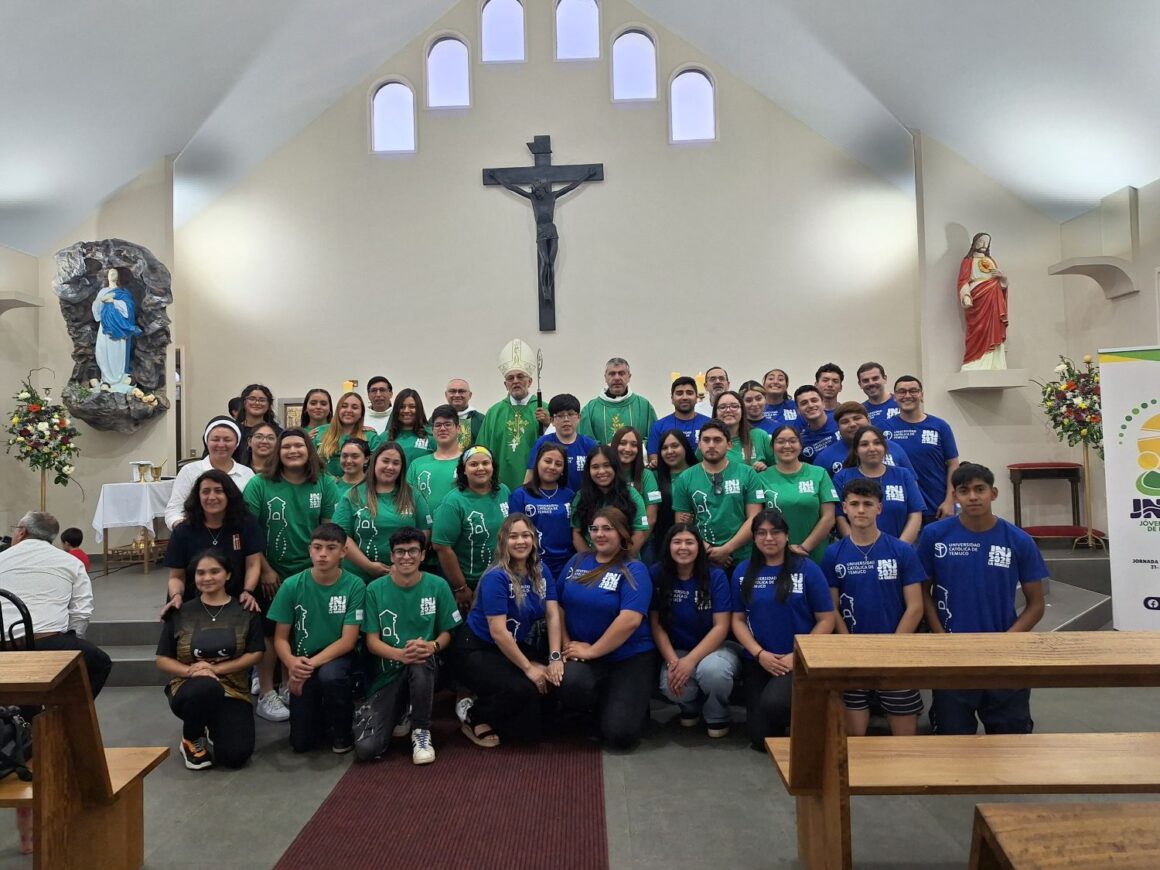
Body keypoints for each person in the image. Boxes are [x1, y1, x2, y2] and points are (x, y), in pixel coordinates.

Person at [919, 463, 1047, 734]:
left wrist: (1006, 642)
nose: (973, 497)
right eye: (964, 491)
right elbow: (923, 592)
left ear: (994, 493)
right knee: (953, 740)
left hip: (1004, 657)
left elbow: (1036, 605)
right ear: (955, 496)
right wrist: (940, 637)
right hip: (952, 656)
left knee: (1010, 740)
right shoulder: (934, 535)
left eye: (980, 489)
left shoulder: (1019, 540)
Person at [243, 429, 340, 722]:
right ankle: (267, 692)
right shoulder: (259, 484)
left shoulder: (324, 483)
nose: (293, 451)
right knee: (270, 631)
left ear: (309, 450)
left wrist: (318, 568)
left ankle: (288, 685)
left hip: (309, 570)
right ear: (278, 452)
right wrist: (265, 569)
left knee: (297, 629)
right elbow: (249, 532)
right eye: (286, 446)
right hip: (271, 571)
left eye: (299, 445)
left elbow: (329, 530)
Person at [822, 480, 925, 736]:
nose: (861, 510)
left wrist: (892, 648)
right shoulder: (833, 554)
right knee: (853, 741)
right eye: (855, 504)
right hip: (852, 655)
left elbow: (915, 607)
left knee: (905, 742)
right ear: (845, 507)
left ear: (879, 508)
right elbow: (831, 607)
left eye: (868, 504)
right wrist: (848, 644)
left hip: (896, 653)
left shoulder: (902, 551)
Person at [452, 515, 561, 747]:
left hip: (511, 646)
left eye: (525, 535)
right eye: (513, 536)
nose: (520, 541)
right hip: (477, 648)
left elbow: (552, 614)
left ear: (534, 539)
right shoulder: (496, 576)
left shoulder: (541, 570)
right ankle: (475, 716)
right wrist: (528, 668)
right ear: (503, 541)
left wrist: (554, 657)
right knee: (524, 688)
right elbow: (499, 632)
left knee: (550, 681)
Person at [731, 509, 836, 748]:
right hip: (759, 659)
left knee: (775, 703)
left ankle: (808, 719)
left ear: (787, 536)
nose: (769, 538)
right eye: (761, 533)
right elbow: (737, 619)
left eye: (775, 532)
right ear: (754, 538)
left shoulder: (807, 568)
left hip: (797, 659)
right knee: (761, 740)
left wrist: (797, 655)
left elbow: (826, 619)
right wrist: (759, 654)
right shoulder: (742, 571)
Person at [356, 528, 460, 764]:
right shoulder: (374, 590)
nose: (406, 557)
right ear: (391, 556)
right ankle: (401, 708)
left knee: (420, 658)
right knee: (367, 749)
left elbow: (447, 633)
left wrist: (432, 645)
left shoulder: (438, 585)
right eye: (400, 551)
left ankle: (421, 731)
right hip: (388, 674)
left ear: (422, 555)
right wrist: (400, 654)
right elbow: (371, 642)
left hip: (428, 668)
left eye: (413, 551)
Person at [555, 507, 655, 750]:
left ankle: (629, 702)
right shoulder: (578, 560)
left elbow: (630, 620)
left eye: (607, 529)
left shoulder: (634, 569)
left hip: (628, 657)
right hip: (584, 655)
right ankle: (602, 704)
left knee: (621, 736)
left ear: (622, 533)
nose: (599, 534)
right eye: (595, 529)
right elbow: (557, 605)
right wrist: (567, 644)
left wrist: (592, 651)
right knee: (571, 681)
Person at [155, 550, 265, 769]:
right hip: (190, 687)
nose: (207, 578)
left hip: (233, 689)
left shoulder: (246, 611)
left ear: (228, 575)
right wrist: (193, 671)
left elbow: (256, 654)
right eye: (201, 573)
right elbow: (162, 659)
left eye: (215, 571)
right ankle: (191, 738)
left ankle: (214, 725)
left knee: (235, 756)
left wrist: (215, 669)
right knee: (206, 687)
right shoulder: (180, 612)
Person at [269, 523, 366, 754]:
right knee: (301, 743)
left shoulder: (355, 585)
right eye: (317, 547)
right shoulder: (291, 585)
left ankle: (342, 732)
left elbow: (348, 641)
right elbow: (280, 639)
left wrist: (307, 666)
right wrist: (292, 664)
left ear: (343, 552)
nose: (323, 554)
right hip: (303, 658)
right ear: (309, 550)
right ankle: (320, 719)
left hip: (339, 655)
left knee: (331, 676)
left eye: (331, 548)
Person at [0, 512, 111, 696]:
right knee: (99, 662)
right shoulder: (71, 562)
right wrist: (73, 640)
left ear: (22, 532)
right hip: (48, 644)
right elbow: (81, 612)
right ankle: (60, 709)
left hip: (3, 645)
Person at [649, 524, 737, 737]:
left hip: (716, 648)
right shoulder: (657, 573)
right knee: (669, 683)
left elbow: (721, 626)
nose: (683, 547)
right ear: (668, 546)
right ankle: (691, 706)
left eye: (689, 542)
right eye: (677, 542)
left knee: (713, 672)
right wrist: (673, 662)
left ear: (699, 547)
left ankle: (717, 714)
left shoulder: (715, 575)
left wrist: (690, 662)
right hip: (678, 648)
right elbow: (657, 625)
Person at [163, 469, 264, 613]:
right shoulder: (182, 531)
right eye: (205, 492)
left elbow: (253, 565)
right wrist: (176, 596)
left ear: (229, 494)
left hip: (238, 599)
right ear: (198, 496)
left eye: (218, 491)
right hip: (193, 602)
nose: (211, 497)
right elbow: (176, 577)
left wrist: (248, 591)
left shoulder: (246, 524)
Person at [333, 441, 432, 582]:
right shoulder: (353, 495)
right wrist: (368, 566)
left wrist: (404, 564)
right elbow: (341, 536)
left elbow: (424, 532)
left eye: (396, 463)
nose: (390, 467)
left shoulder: (413, 495)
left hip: (402, 576)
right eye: (385, 461)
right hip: (358, 577)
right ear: (374, 462)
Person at [672, 421, 765, 568]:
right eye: (706, 440)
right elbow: (682, 524)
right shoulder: (685, 478)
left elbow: (755, 517)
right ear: (699, 444)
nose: (711, 445)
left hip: (743, 556)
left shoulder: (748, 473)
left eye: (717, 440)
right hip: (703, 556)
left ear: (729, 445)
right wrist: (708, 549)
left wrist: (727, 549)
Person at [431, 446, 512, 613]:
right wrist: (461, 588)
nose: (481, 468)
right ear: (464, 470)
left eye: (485, 463)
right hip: (469, 584)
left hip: (502, 578)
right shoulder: (453, 502)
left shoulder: (504, 491)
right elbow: (442, 547)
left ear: (493, 466)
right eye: (473, 464)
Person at [883, 376, 960, 522]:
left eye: (913, 391)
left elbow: (953, 464)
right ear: (895, 397)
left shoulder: (940, 426)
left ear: (922, 395)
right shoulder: (882, 428)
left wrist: (950, 501)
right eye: (902, 391)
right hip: (899, 509)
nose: (907, 395)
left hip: (936, 507)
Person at [758, 425, 838, 563]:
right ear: (772, 447)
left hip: (815, 553)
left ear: (801, 445)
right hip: (775, 555)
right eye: (780, 441)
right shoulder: (761, 478)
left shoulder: (819, 474)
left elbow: (829, 517)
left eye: (792, 441)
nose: (787, 446)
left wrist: (804, 548)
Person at [833, 426, 924, 543]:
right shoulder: (842, 477)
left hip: (900, 548)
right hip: (857, 550)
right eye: (864, 444)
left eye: (877, 443)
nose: (872, 448)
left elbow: (915, 514)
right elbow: (840, 516)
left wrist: (900, 548)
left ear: (885, 447)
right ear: (856, 450)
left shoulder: (903, 475)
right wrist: (857, 546)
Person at [476, 351, 549, 492]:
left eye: (520, 376)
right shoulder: (494, 412)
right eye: (510, 378)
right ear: (505, 384)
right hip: (499, 483)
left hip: (537, 482)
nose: (515, 381)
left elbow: (559, 443)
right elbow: (481, 449)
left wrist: (548, 424)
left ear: (530, 381)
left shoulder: (544, 409)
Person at [165, 417, 254, 529]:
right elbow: (174, 510)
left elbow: (250, 512)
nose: (221, 444)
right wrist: (183, 529)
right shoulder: (189, 471)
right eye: (215, 439)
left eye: (227, 440)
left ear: (237, 444)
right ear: (207, 442)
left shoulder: (247, 473)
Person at [509, 442, 576, 580]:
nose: (552, 467)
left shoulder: (570, 496)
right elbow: (512, 535)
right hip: (532, 565)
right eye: (547, 461)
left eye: (558, 464)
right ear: (537, 463)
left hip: (566, 566)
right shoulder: (520, 495)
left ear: (563, 469)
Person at [571, 445, 650, 556]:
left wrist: (619, 562)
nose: (601, 471)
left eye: (607, 465)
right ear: (588, 471)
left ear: (615, 467)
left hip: (625, 560)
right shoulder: (581, 496)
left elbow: (639, 534)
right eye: (595, 467)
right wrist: (591, 562)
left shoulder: (631, 495)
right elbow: (576, 534)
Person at [812, 401, 914, 477]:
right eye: (845, 421)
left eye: (857, 418)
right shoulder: (825, 457)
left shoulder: (893, 448)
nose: (852, 424)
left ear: (869, 420)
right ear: (838, 427)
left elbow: (912, 483)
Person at [525, 393, 597, 492]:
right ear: (552, 420)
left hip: (583, 498)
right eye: (560, 416)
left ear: (579, 417)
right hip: (550, 499)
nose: (566, 420)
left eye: (571, 414)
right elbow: (530, 476)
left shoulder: (590, 445)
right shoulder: (542, 443)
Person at [958, 232, 1009, 371]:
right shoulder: (968, 261)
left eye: (987, 242)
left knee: (994, 328)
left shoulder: (991, 260)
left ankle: (995, 363)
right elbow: (963, 281)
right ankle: (974, 362)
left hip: (994, 297)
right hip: (978, 298)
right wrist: (966, 295)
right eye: (981, 241)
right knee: (978, 328)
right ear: (975, 242)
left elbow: (1001, 283)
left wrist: (1003, 278)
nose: (984, 245)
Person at [578, 357, 658, 444]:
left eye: (621, 373)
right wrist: (605, 450)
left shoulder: (644, 407)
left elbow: (654, 439)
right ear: (605, 377)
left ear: (629, 377)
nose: (617, 378)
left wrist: (634, 448)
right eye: (612, 374)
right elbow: (583, 441)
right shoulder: (590, 410)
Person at [91, 267, 140, 392]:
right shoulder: (103, 291)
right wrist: (102, 300)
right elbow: (96, 307)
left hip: (118, 327)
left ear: (118, 277)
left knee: (117, 351)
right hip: (105, 326)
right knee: (102, 350)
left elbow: (129, 308)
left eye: (114, 273)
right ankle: (105, 378)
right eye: (110, 273)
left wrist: (113, 301)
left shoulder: (123, 292)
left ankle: (117, 379)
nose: (111, 274)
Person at [407, 403, 463, 511]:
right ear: (432, 430)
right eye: (438, 425)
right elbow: (407, 500)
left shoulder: (468, 463)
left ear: (458, 428)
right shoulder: (417, 464)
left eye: (448, 424)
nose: (442, 428)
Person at [646, 376, 710, 467]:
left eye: (689, 393)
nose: (684, 397)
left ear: (696, 398)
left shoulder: (709, 424)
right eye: (679, 393)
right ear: (672, 399)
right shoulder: (659, 426)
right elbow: (654, 459)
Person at [313, 391, 379, 478]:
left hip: (358, 485)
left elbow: (376, 468)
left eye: (354, 407)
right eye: (344, 406)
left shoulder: (370, 436)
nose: (349, 410)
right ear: (338, 410)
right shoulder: (319, 432)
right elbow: (309, 464)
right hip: (324, 485)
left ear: (361, 414)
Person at [611, 426, 661, 532]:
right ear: (614, 445)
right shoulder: (606, 474)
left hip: (642, 535)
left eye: (634, 445)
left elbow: (651, 518)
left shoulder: (647, 475)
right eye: (623, 443)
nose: (628, 449)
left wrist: (636, 540)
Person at [653, 429, 697, 548]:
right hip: (663, 542)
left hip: (697, 541)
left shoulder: (699, 472)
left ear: (685, 447)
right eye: (664, 448)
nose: (669, 451)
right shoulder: (654, 476)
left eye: (675, 446)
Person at [714, 391, 773, 468]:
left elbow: (779, 467)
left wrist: (766, 470)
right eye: (722, 407)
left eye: (734, 406)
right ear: (716, 412)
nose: (728, 410)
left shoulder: (760, 436)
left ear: (742, 410)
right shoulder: (708, 440)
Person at [235, 384, 281, 464]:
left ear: (268, 404)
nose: (257, 403)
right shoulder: (234, 430)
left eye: (262, 400)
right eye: (252, 399)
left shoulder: (277, 432)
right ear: (244, 402)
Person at [793, 384, 840, 463]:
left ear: (823, 403)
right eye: (804, 403)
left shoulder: (840, 421)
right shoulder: (802, 441)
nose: (810, 405)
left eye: (814, 400)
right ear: (798, 410)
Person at [387, 388, 435, 463]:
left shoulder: (432, 435)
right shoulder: (384, 437)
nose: (406, 410)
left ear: (419, 409)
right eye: (402, 407)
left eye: (412, 406)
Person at [445, 378, 485, 450]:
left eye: (461, 391)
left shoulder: (482, 420)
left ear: (470, 395)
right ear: (446, 394)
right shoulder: (436, 419)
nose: (457, 395)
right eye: (452, 391)